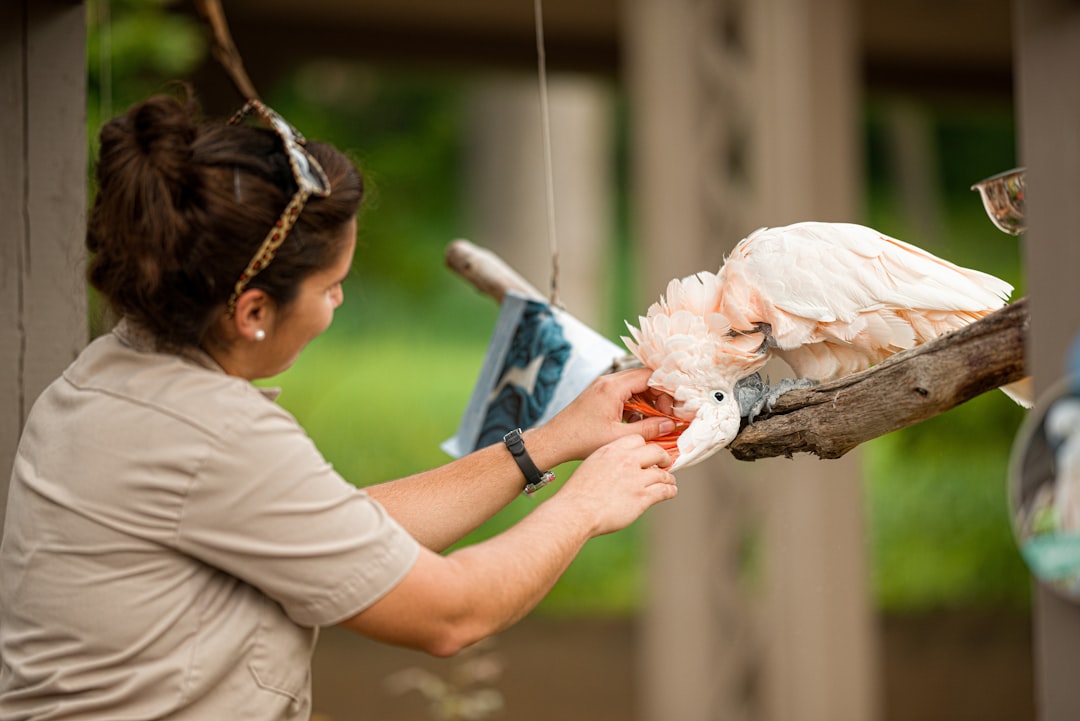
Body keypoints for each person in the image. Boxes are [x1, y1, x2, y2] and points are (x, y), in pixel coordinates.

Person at [0, 90, 678, 720]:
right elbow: (451, 615)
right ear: (253, 309)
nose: (341, 302)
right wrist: (586, 505)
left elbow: (343, 527)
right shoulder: (215, 433)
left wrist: (553, 438)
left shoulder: (115, 373)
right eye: (331, 288)